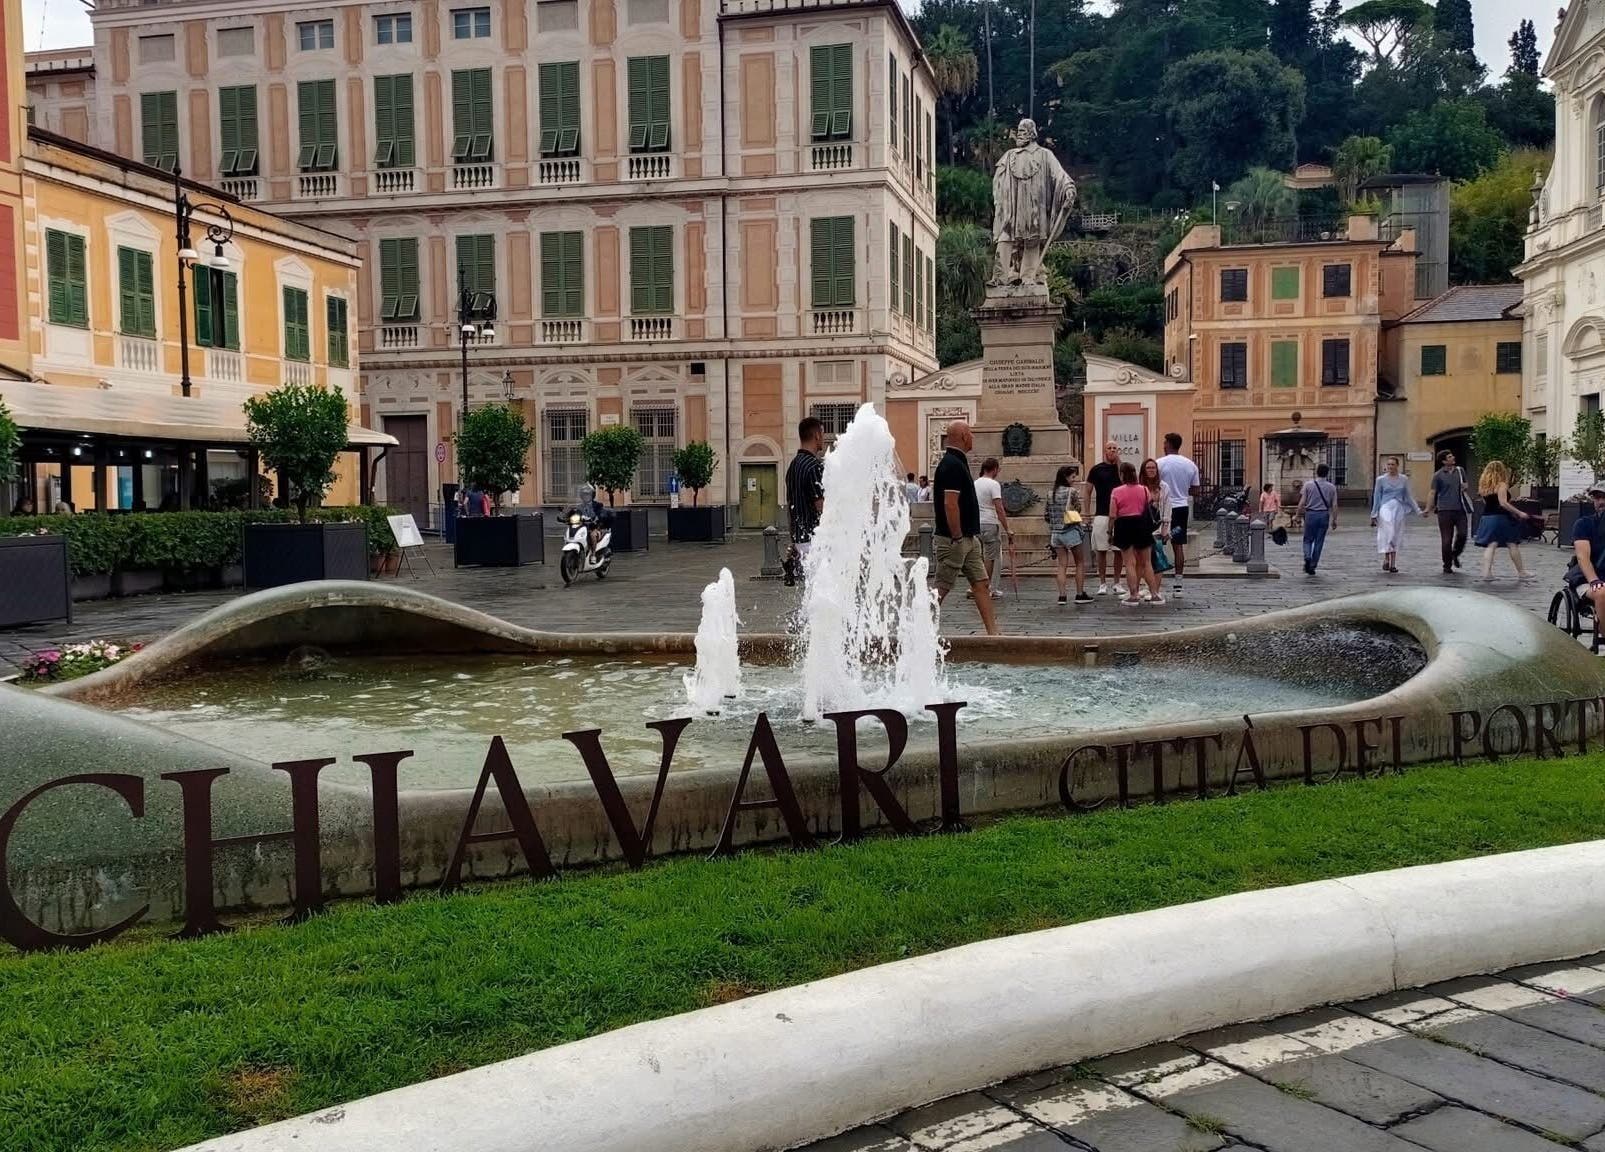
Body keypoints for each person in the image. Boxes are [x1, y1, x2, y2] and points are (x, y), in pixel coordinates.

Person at [931, 421, 999, 635]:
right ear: (962, 436)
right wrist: (958, 535)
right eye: (970, 433)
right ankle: (916, 630)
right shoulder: (951, 464)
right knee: (941, 588)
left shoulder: (958, 462)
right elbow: (950, 504)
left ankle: (994, 633)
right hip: (954, 539)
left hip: (968, 538)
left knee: (981, 584)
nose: (973, 437)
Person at [1473, 460, 1540, 582]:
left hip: (1487, 517)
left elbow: (1485, 502)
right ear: (1501, 471)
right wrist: (1519, 512)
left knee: (1491, 544)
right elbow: (1503, 503)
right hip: (1501, 518)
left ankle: (1486, 573)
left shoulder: (1483, 486)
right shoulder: (1502, 485)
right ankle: (1521, 572)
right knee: (1512, 543)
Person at [1111, 461, 1162, 606]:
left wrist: (1110, 531)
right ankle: (1154, 594)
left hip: (1124, 525)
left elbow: (1112, 514)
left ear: (1122, 475)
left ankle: (1133, 595)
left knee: (1129, 563)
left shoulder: (1116, 491)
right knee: (1146, 562)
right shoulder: (1144, 489)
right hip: (1142, 524)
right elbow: (1150, 503)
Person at [783, 416, 826, 587]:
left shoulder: (793, 466)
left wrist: (793, 539)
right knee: (824, 587)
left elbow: (791, 505)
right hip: (813, 538)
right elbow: (820, 505)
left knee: (812, 589)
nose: (823, 438)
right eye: (822, 433)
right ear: (816, 435)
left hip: (800, 540)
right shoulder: (814, 466)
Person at [1156, 433, 1200, 598]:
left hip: (1162, 508)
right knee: (1178, 544)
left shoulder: (1160, 463)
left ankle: (1155, 582)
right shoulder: (1190, 465)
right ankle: (1179, 584)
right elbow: (1196, 490)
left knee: (1157, 543)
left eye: (1164, 442)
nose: (1163, 445)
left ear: (1168, 444)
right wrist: (1182, 491)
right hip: (1181, 507)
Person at [1044, 464, 1090, 605]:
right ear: (1066, 477)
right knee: (1079, 563)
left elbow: (1046, 515)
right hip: (1070, 531)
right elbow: (1077, 509)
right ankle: (1079, 594)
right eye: (1072, 476)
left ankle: (1062, 596)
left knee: (1062, 565)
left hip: (1055, 534)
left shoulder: (1050, 493)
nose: (1074, 479)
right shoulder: (1072, 492)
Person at [1085, 440, 1124, 595]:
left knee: (1118, 550)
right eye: (1109, 448)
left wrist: (1119, 463)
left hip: (1120, 515)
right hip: (1101, 514)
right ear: (1105, 451)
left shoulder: (1122, 468)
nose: (1112, 451)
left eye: (1115, 448)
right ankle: (1102, 583)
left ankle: (1117, 582)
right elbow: (1087, 491)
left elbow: (1126, 483)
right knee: (1101, 550)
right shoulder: (1096, 470)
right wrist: (1086, 513)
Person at [1370, 457, 1422, 574]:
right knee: (1388, 530)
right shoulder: (1381, 480)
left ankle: (1393, 563)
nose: (1390, 467)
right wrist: (1374, 513)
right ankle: (1386, 558)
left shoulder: (1403, 479)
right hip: (1385, 507)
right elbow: (1376, 496)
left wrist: (1418, 510)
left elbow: (1408, 495)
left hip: (1398, 507)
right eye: (1388, 465)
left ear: (1397, 465)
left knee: (1396, 534)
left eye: (1393, 464)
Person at [1567, 485, 1605, 644]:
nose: (1601, 501)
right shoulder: (1584, 524)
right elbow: (1583, 557)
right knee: (1602, 592)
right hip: (1588, 578)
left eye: (1604, 497)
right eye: (1597, 497)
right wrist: (1594, 580)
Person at [1424, 450, 1471, 575]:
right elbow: (1433, 492)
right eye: (1450, 457)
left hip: (1460, 509)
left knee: (1463, 534)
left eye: (1452, 455)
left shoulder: (1460, 471)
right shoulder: (1438, 475)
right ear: (1444, 461)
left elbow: (1466, 485)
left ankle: (1455, 554)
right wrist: (1428, 508)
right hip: (1444, 511)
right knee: (1446, 540)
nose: (1453, 457)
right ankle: (1447, 565)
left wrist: (1465, 487)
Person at [974, 457, 1012, 600]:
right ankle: (987, 588)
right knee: (991, 558)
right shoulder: (993, 484)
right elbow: (999, 508)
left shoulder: (975, 483)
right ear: (994, 469)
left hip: (977, 524)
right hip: (990, 523)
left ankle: (979, 586)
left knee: (979, 557)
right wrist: (1007, 528)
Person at [1294, 464, 1338, 575]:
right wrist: (1334, 519)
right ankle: (1313, 565)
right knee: (1319, 541)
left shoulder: (1308, 485)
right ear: (1327, 473)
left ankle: (1307, 556)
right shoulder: (1331, 487)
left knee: (1308, 539)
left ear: (1316, 472)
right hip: (1324, 515)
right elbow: (1335, 505)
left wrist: (1298, 515)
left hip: (1310, 514)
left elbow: (1302, 503)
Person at [1137, 457, 1166, 603]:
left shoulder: (1163, 487)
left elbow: (1167, 506)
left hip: (1157, 528)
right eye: (1148, 468)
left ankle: (1156, 590)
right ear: (1143, 470)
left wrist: (1166, 527)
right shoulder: (1139, 487)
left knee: (1157, 560)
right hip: (1142, 528)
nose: (1151, 470)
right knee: (1142, 560)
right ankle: (1147, 586)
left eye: (1153, 468)